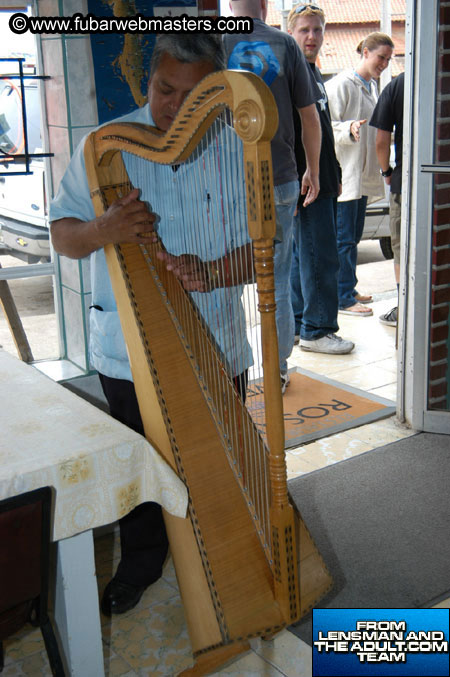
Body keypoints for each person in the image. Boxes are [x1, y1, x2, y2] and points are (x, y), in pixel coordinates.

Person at [50, 35, 254, 617]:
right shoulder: (102, 147)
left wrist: (212, 272)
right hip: (127, 350)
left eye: (193, 97)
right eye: (166, 90)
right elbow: (62, 237)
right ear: (149, 83)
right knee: (142, 477)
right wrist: (103, 230)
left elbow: (266, 250)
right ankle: (141, 564)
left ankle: (222, 562)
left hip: (218, 342)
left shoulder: (239, 147)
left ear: (214, 93)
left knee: (220, 469)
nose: (175, 107)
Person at [224, 0, 322, 391]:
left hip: (226, 178)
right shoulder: (286, 44)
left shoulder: (213, 41)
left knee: (223, 277)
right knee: (277, 279)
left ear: (231, 4)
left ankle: (227, 362)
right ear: (265, 4)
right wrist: (312, 168)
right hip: (279, 175)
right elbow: (309, 115)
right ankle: (276, 369)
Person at [287, 3, 354, 355]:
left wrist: (335, 173)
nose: (311, 36)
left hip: (323, 180)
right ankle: (318, 329)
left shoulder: (314, 75)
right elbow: (290, 135)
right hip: (305, 184)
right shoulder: (291, 76)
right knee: (320, 257)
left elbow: (323, 132)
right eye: (304, 30)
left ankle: (301, 325)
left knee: (307, 256)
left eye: (317, 30)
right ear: (291, 34)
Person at [326, 32, 394, 317]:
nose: (384, 63)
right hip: (346, 175)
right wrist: (350, 128)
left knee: (353, 236)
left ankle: (348, 287)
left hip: (362, 176)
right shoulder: (341, 84)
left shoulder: (372, 87)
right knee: (343, 239)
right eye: (381, 57)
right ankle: (342, 298)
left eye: (388, 60)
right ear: (365, 52)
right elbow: (327, 126)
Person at [369, 71, 405, 327]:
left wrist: (387, 171)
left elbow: (381, 140)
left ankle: (403, 307)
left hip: (405, 182)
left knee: (401, 247)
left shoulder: (397, 85)